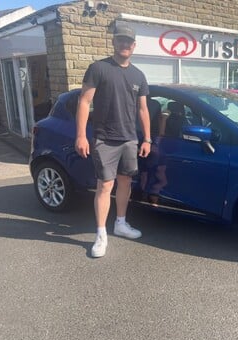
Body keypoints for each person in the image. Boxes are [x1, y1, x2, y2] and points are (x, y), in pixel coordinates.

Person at [75, 24, 152, 258]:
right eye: (120, 40)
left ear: (134, 45)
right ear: (114, 42)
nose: (124, 44)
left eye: (128, 41)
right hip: (105, 138)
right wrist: (80, 135)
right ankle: (101, 234)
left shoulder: (138, 75)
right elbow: (84, 102)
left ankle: (120, 223)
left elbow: (143, 110)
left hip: (129, 139)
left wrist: (147, 138)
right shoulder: (98, 68)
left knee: (125, 182)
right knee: (105, 186)